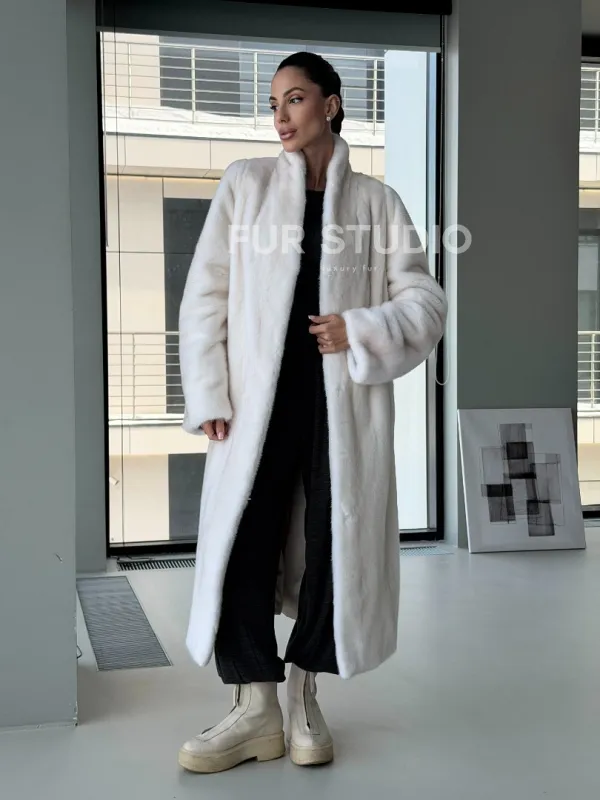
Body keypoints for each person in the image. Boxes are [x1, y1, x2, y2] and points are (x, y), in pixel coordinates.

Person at [177, 51, 447, 773]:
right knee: (244, 541)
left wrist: (360, 328)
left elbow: (425, 302)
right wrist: (207, 392)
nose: (280, 116)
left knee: (334, 544)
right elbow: (205, 294)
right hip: (253, 408)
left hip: (341, 407)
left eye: (294, 99)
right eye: (273, 104)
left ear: (331, 104)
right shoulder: (246, 185)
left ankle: (302, 696)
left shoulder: (377, 203)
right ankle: (254, 706)